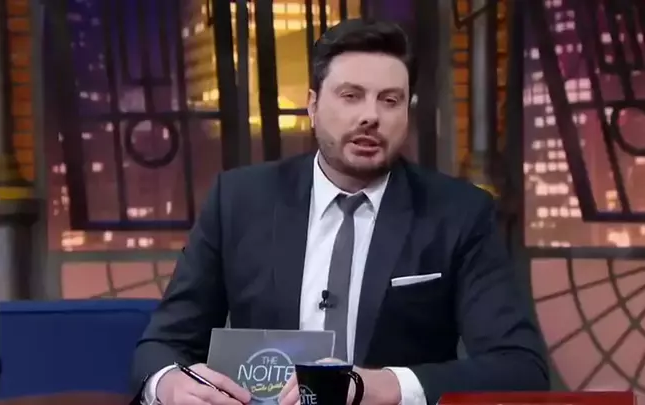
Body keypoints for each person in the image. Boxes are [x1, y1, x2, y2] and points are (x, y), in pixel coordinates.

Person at [130, 18, 549, 405]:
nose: (370, 116)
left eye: (390, 100)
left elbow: (520, 368)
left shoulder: (459, 212)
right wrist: (168, 384)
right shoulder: (238, 200)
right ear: (312, 105)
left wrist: (382, 386)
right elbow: (163, 344)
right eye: (351, 96)